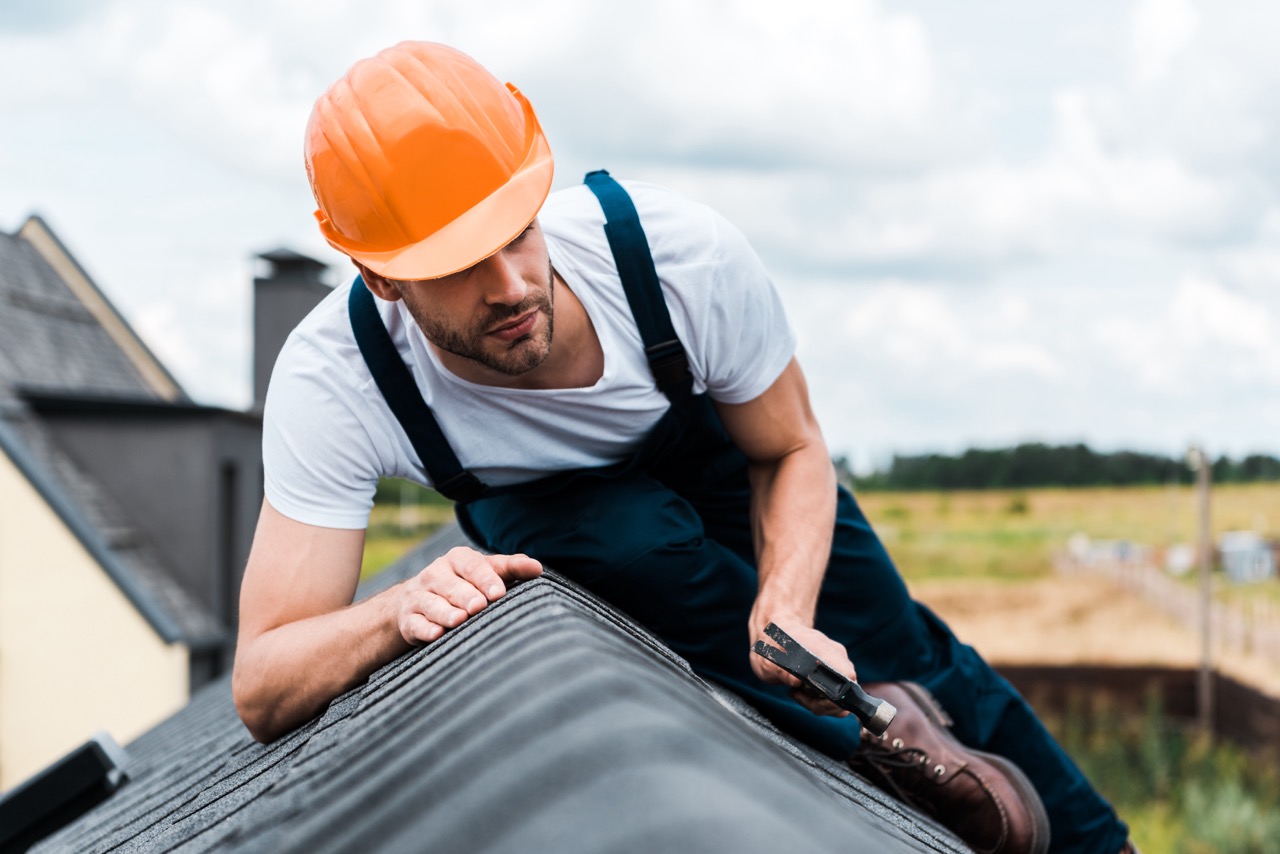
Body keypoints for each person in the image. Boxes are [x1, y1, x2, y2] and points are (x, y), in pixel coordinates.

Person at [232, 41, 1134, 854]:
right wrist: (397, 609)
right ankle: (855, 756)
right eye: (460, 265)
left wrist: (785, 608)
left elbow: (792, 450)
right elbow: (264, 680)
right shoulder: (334, 381)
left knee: (907, 653)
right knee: (633, 540)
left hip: (738, 466)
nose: (510, 284)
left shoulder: (676, 257)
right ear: (382, 274)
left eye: (516, 232)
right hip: (563, 518)